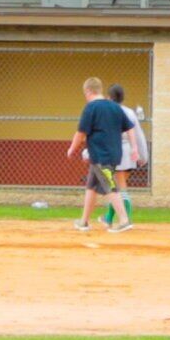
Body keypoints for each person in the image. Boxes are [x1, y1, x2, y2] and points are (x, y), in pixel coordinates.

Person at [66, 76, 134, 233]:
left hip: (101, 155)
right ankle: (84, 221)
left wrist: (72, 148)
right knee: (91, 186)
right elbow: (128, 126)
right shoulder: (115, 107)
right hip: (113, 154)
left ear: (89, 91)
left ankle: (124, 220)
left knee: (110, 187)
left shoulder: (91, 108)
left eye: (85, 93)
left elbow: (81, 133)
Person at [109, 78, 147, 231]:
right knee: (118, 187)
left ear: (110, 97)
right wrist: (142, 154)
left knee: (120, 187)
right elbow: (138, 134)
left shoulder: (111, 111)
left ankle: (127, 220)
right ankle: (108, 217)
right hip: (130, 153)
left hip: (118, 152)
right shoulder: (130, 112)